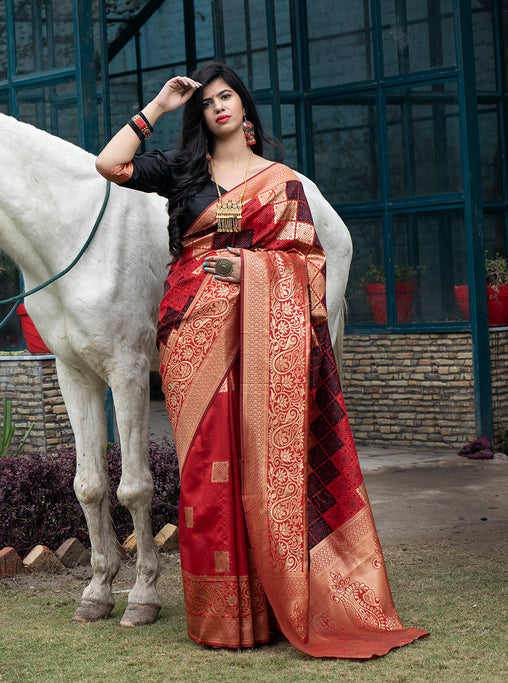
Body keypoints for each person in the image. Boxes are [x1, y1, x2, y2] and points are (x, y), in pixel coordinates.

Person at [95, 62, 428, 658]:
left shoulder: (283, 182)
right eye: (208, 102)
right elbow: (110, 165)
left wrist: (248, 269)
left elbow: (309, 266)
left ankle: (278, 605)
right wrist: (160, 106)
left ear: (245, 107)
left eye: (228, 97)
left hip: (261, 341)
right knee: (205, 473)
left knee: (265, 467)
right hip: (192, 336)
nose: (219, 106)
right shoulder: (181, 172)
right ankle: (222, 615)